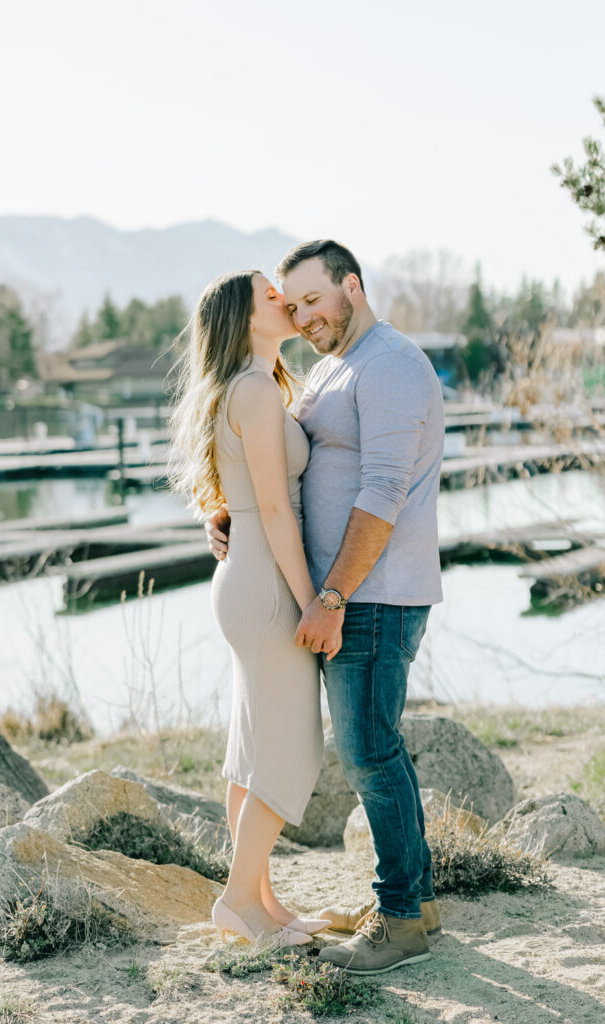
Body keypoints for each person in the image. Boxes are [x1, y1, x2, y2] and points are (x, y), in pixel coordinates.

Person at [207, 240, 445, 975]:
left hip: (368, 594)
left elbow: (380, 496)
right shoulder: (329, 369)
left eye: (313, 300)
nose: (302, 314)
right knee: (358, 749)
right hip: (321, 595)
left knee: (367, 751)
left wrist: (331, 595)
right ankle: (407, 905)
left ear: (352, 285)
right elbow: (269, 473)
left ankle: (401, 917)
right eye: (291, 302)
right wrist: (231, 516)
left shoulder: (392, 366)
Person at [169, 269, 332, 950]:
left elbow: (237, 497)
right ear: (244, 317)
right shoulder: (257, 390)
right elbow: (271, 508)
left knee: (252, 748)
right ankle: (239, 900)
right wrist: (315, 601)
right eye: (270, 296)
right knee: (291, 748)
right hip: (266, 583)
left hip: (244, 579)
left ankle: (262, 900)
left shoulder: (248, 387)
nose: (285, 301)